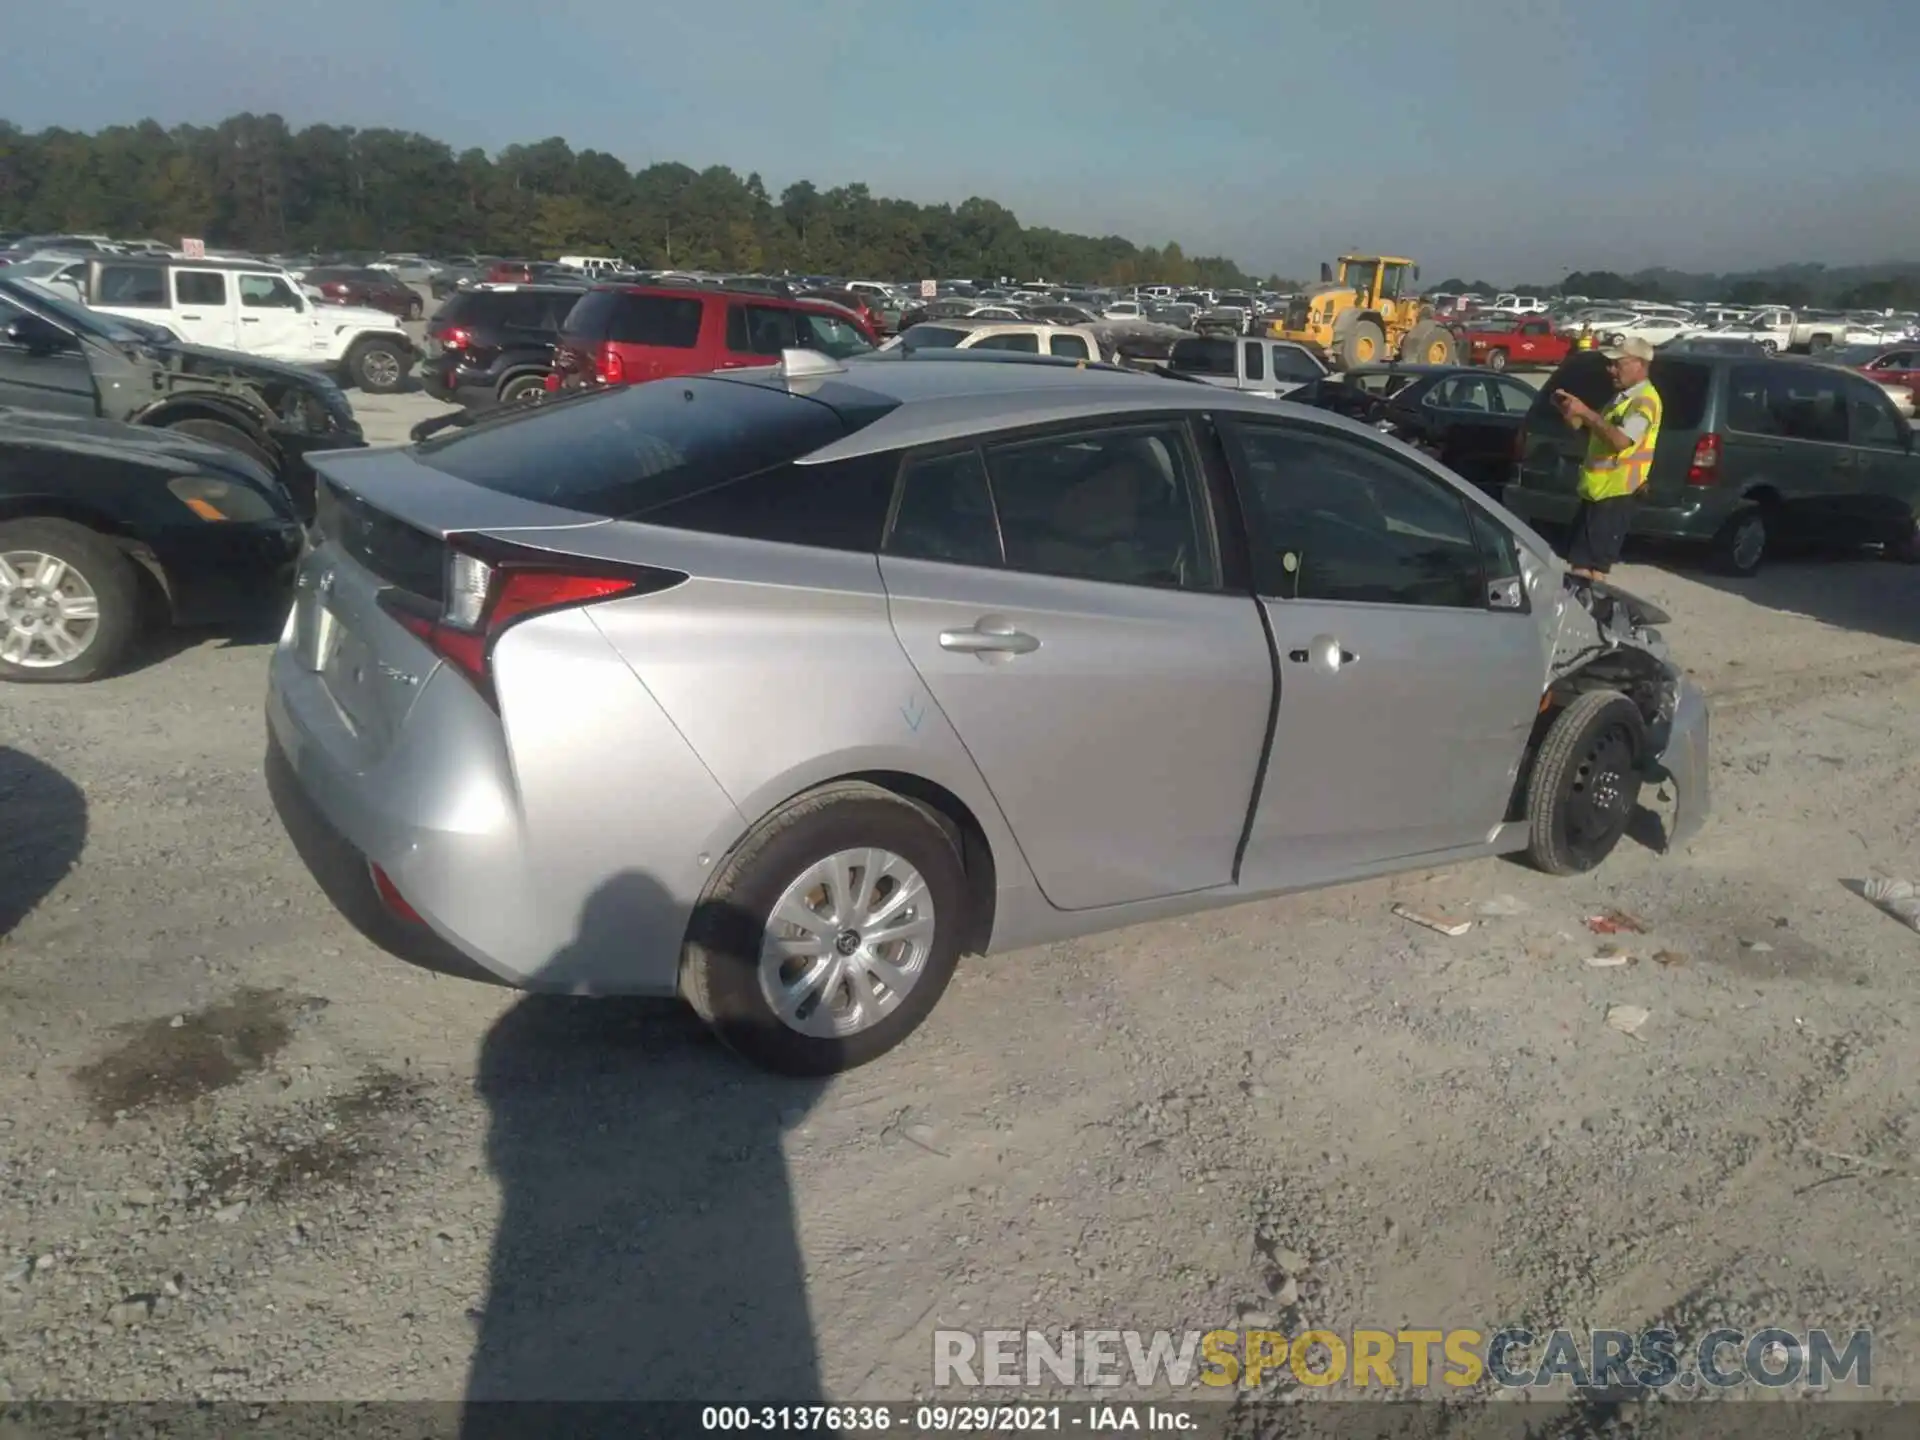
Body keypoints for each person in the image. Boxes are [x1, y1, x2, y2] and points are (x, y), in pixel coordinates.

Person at [1552, 336, 1663, 581]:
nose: (1610, 369)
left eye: (1617, 363)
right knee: (1581, 564)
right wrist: (1572, 415)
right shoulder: (1622, 398)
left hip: (1616, 494)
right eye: (1610, 364)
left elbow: (1621, 441)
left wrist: (1585, 412)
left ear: (1640, 365)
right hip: (1599, 491)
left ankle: (1591, 615)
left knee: (1590, 570)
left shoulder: (1644, 401)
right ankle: (1586, 612)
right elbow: (1600, 435)